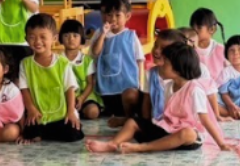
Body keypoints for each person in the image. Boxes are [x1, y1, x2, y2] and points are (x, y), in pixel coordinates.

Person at [87, 42, 232, 154]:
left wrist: (221, 144)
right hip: (168, 128)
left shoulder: (195, 90)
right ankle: (112, 144)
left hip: (185, 136)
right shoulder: (169, 86)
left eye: (165, 62)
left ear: (177, 69)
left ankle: (142, 148)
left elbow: (206, 121)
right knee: (133, 122)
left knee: (187, 134)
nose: (160, 65)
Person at [19, 13, 85, 143]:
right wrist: (31, 109)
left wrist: (71, 111)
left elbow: (70, 89)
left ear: (54, 38)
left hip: (60, 114)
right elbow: (24, 89)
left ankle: (48, 132)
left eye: (43, 37)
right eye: (32, 37)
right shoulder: (25, 64)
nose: (37, 42)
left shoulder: (63, 63)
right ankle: (43, 133)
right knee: (31, 134)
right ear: (26, 39)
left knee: (73, 134)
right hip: (38, 114)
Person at [90, 0, 143, 123]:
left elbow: (140, 60)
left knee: (128, 105)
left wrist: (140, 83)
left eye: (118, 15)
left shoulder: (131, 36)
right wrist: (103, 34)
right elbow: (95, 52)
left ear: (127, 16)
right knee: (109, 111)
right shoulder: (100, 33)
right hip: (106, 84)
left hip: (127, 83)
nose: (113, 19)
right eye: (109, 15)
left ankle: (127, 118)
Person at [60, 19, 101, 120]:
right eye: (66, 36)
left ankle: (79, 111)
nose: (71, 39)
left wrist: (82, 98)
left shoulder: (87, 60)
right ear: (60, 38)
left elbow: (90, 84)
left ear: (81, 38)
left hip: (84, 95)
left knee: (93, 112)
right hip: (64, 96)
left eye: (75, 36)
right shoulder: (57, 60)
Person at [190, 8, 228, 84]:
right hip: (196, 88)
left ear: (212, 29)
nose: (195, 30)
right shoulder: (189, 48)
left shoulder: (221, 50)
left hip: (217, 88)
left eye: (199, 27)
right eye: (192, 27)